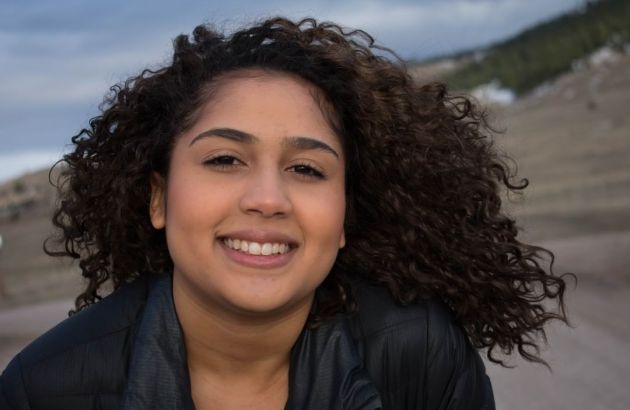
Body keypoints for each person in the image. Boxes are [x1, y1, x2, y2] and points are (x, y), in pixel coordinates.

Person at [0, 17, 570, 409]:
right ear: (157, 198)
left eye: (306, 169)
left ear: (345, 216)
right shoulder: (42, 389)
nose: (268, 199)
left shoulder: (419, 353)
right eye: (224, 159)